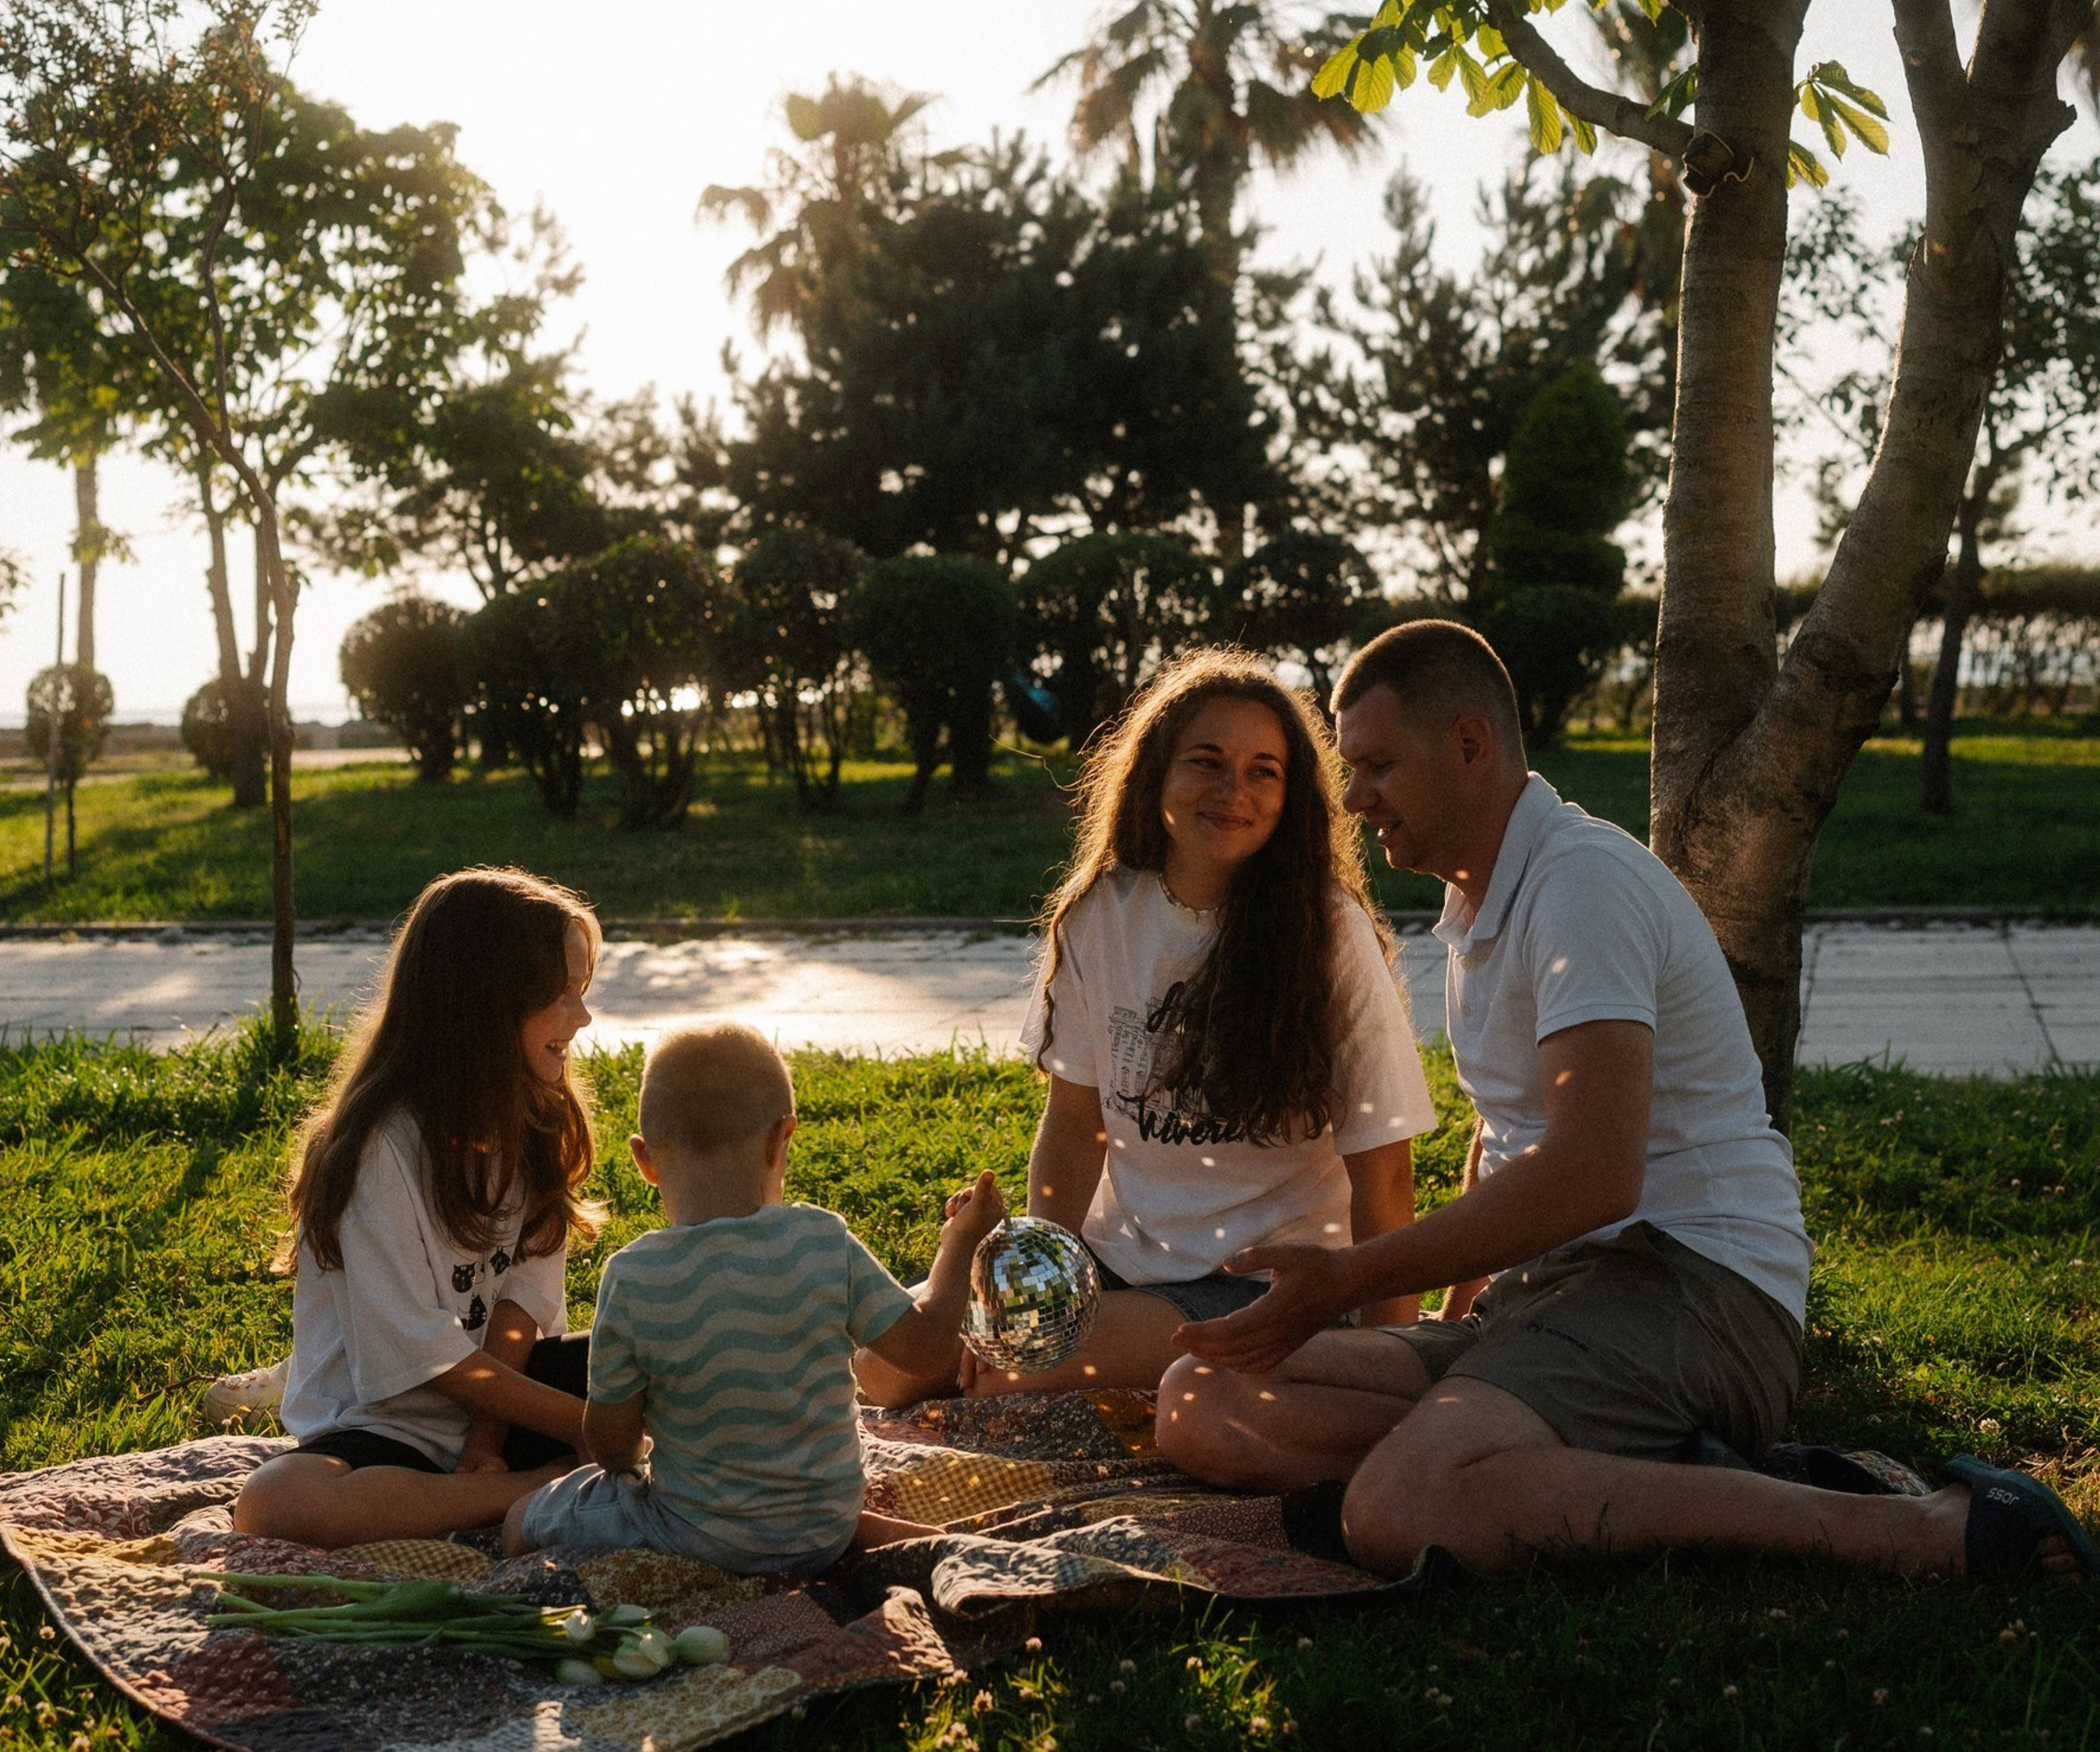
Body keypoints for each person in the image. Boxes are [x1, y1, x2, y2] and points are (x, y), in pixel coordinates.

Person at [1158, 620, 2096, 1584]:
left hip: (1694, 1284)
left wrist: (1347, 1279)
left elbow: (1594, 1173)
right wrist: (1455, 1329)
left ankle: (1922, 1528)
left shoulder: (1580, 884)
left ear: (1470, 746)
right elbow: (1508, 1136)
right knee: (1202, 1397)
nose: (1354, 798)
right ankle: (1610, 1466)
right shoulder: (1480, 903)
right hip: (1564, 1297)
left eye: (1378, 765)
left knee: (1398, 1511)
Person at [859, 647, 1436, 1410]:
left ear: (1292, 796)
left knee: (1009, 1375)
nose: (1234, 790)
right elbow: (1073, 1125)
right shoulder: (1104, 911)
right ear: (1157, 772)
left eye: (1264, 770)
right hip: (1117, 1260)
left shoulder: (1330, 933)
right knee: (888, 1364)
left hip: (1260, 1286)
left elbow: (1384, 1172)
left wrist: (1381, 1361)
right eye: (1207, 762)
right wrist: (1034, 1282)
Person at [505, 1022, 1005, 1570]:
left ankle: (519, 1593)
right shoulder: (823, 1242)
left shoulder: (634, 1276)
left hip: (698, 1535)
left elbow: (611, 1446)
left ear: (644, 1160)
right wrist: (962, 1242)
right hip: (827, 1523)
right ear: (780, 1138)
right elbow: (929, 1347)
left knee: (523, 1517)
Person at [233, 867, 608, 1546]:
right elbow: (425, 1361)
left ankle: (491, 1486)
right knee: (276, 1503)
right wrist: (586, 1432)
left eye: (581, 992)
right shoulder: (378, 1149)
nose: (581, 1017)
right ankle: (529, 1490)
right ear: (484, 1006)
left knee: (673, 1364)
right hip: (387, 1424)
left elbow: (522, 1307)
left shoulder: (535, 1125)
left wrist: (489, 1438)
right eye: (560, 995)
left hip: (505, 1395)